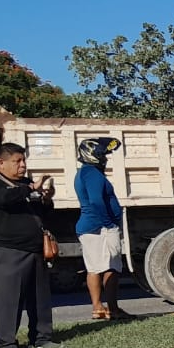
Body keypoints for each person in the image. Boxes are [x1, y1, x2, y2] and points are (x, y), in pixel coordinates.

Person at [0, 143, 57, 348]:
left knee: (40, 297)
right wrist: (31, 189)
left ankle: (42, 338)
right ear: (1, 163)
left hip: (36, 249)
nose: (23, 165)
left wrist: (46, 199)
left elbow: (42, 212)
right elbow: (6, 199)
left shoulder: (25, 183)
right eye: (17, 161)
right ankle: (6, 344)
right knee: (10, 298)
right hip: (10, 250)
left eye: (24, 160)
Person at [73, 137, 130, 321]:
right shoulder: (92, 173)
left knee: (95, 267)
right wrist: (110, 223)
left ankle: (100, 308)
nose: (104, 158)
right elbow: (96, 200)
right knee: (110, 267)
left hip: (92, 226)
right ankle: (109, 308)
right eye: (101, 154)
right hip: (98, 227)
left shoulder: (85, 172)